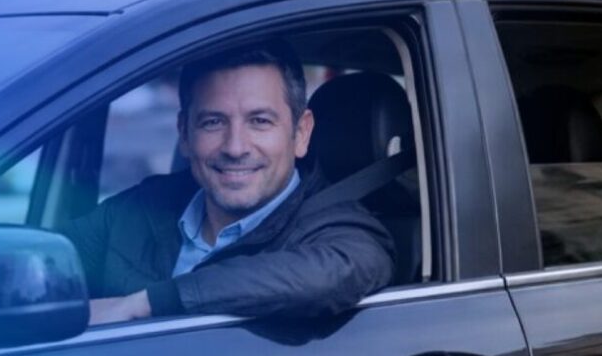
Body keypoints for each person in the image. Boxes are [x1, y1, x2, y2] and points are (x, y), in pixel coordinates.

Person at [59, 40, 395, 325]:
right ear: (184, 133)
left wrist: (144, 303)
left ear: (301, 132)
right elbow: (43, 265)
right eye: (213, 122)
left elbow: (340, 271)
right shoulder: (143, 207)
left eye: (259, 121)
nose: (235, 147)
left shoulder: (337, 229)